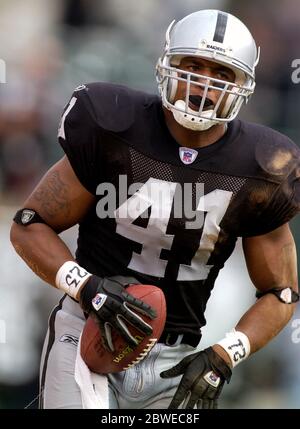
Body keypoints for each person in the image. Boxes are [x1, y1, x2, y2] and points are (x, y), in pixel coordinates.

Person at [10, 9, 300, 409]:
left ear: (242, 86)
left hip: (179, 358)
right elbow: (30, 224)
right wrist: (87, 287)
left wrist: (226, 353)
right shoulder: (112, 125)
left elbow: (281, 292)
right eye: (192, 66)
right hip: (91, 327)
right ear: (166, 64)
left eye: (220, 74)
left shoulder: (263, 167)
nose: (202, 85)